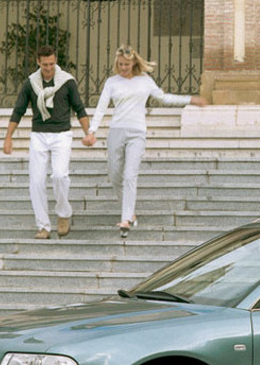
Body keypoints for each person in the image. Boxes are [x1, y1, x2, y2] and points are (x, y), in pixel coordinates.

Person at [82, 44, 206, 237]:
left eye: (127, 64)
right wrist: (91, 131)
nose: (124, 68)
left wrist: (190, 99)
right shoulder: (112, 82)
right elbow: (100, 108)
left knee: (130, 175)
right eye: (121, 64)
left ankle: (125, 220)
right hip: (116, 131)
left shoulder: (145, 80)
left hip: (137, 132)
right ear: (117, 63)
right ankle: (130, 212)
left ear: (134, 63)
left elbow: (163, 98)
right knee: (115, 175)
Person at [3, 45, 90, 239]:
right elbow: (18, 110)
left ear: (55, 60)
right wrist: (8, 137)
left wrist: (88, 133)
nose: (49, 68)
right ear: (38, 62)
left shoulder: (67, 82)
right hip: (39, 135)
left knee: (59, 176)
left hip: (62, 134)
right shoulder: (30, 83)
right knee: (36, 181)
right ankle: (43, 226)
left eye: (51, 64)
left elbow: (79, 108)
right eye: (45, 65)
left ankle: (63, 214)